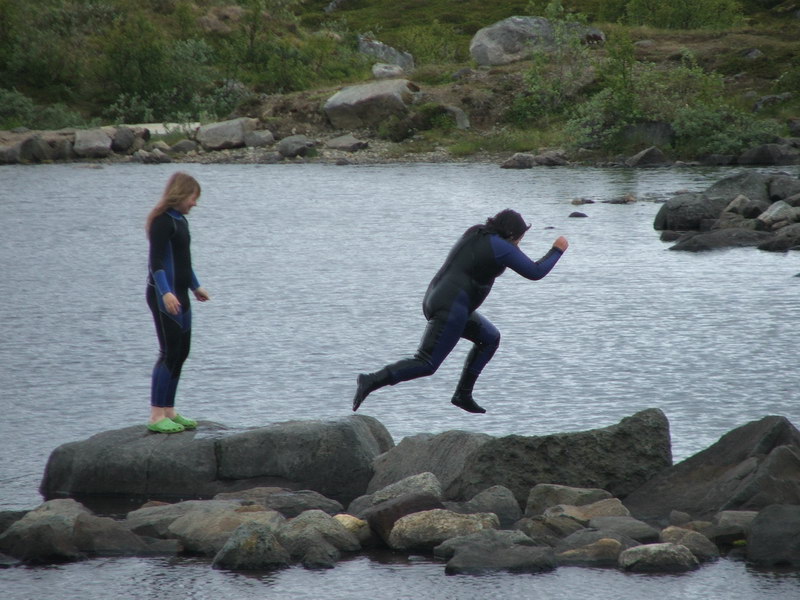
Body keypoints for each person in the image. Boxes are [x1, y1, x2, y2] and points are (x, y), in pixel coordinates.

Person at [352, 209, 568, 414]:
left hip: (438, 299)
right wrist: (557, 250)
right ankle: (371, 379)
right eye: (520, 238)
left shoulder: (477, 232)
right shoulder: (500, 246)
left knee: (490, 338)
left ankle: (463, 395)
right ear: (511, 234)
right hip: (450, 307)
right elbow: (535, 272)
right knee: (426, 362)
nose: (519, 244)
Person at [145, 172, 210, 433]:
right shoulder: (162, 222)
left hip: (181, 293)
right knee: (168, 352)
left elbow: (184, 262)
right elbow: (156, 262)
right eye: (193, 198)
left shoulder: (181, 221)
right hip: (164, 296)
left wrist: (195, 286)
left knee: (181, 352)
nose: (195, 203)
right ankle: (156, 415)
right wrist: (165, 293)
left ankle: (169, 410)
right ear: (181, 194)